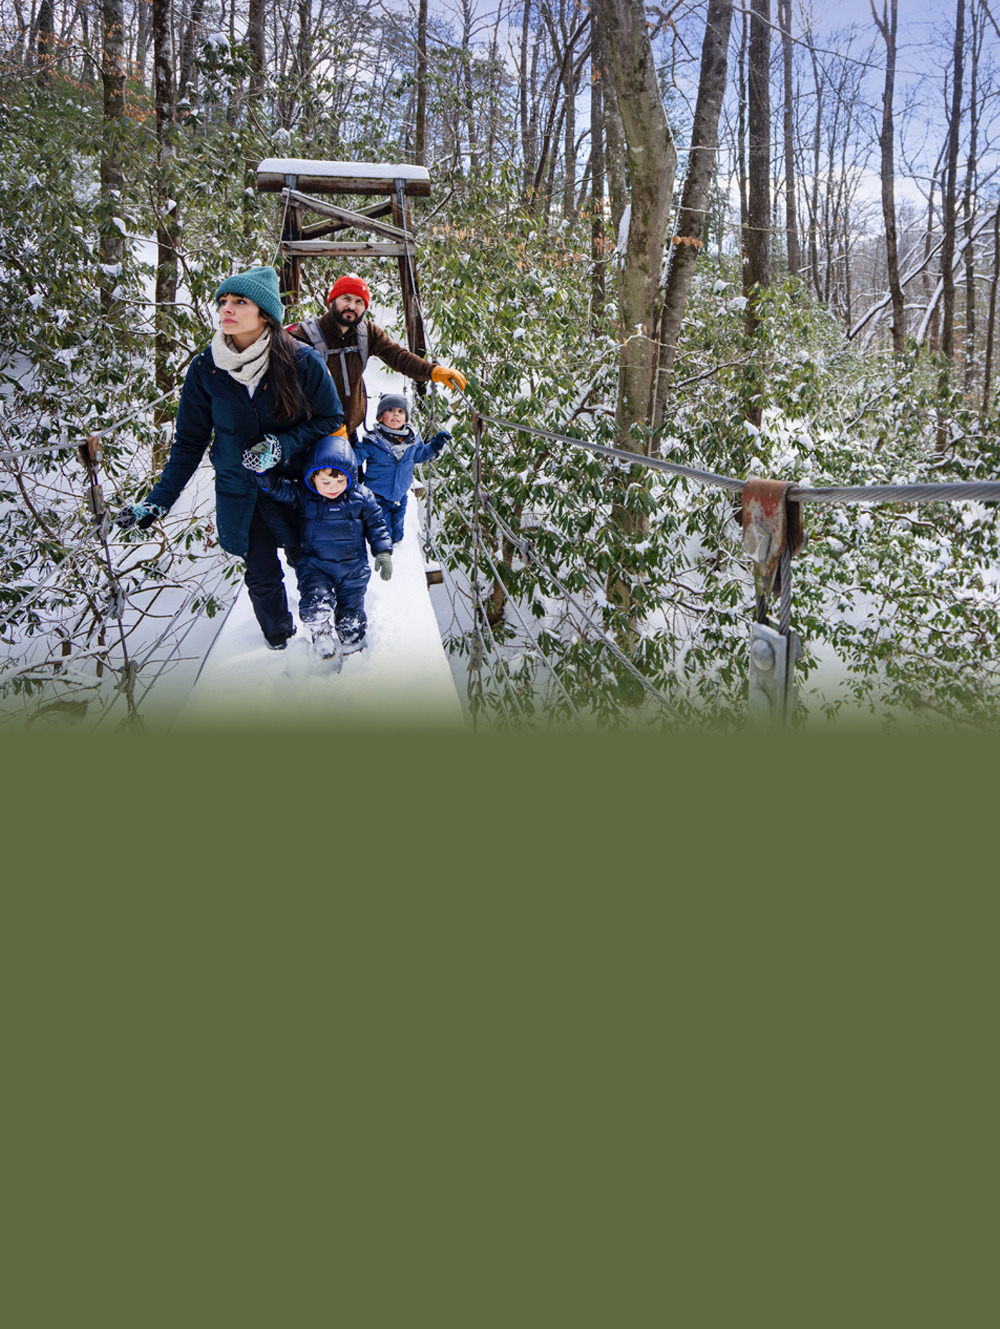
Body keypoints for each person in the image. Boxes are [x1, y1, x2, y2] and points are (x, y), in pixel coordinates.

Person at [114, 266, 346, 650]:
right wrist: (156, 504)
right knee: (260, 573)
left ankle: (329, 628)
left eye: (240, 301)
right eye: (223, 301)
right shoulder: (206, 369)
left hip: (296, 486)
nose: (227, 309)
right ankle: (279, 642)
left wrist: (281, 445)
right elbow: (188, 444)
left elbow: (331, 418)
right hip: (241, 491)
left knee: (309, 564)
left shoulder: (302, 361)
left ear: (265, 314)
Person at [252, 432, 392, 668]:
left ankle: (352, 642)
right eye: (325, 482)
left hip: (353, 567)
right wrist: (263, 471)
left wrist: (383, 551)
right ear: (312, 477)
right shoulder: (304, 495)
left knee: (351, 611)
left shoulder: (362, 497)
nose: (333, 488)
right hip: (316, 565)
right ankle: (321, 632)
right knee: (315, 602)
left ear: (351, 476)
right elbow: (277, 488)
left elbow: (377, 525)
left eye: (341, 480)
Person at [288, 274, 467, 440]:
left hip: (349, 434)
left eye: (359, 302)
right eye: (346, 298)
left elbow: (397, 356)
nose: (352, 306)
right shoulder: (304, 335)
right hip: (312, 435)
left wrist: (433, 371)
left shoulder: (367, 333)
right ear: (332, 300)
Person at [352, 393, 451, 544]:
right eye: (390, 410)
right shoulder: (372, 441)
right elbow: (357, 455)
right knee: (383, 534)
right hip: (377, 496)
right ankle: (381, 550)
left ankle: (393, 542)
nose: (395, 415)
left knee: (398, 534)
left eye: (400, 411)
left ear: (406, 418)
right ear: (380, 417)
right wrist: (346, 457)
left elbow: (420, 455)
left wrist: (435, 445)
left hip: (400, 496)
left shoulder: (412, 440)